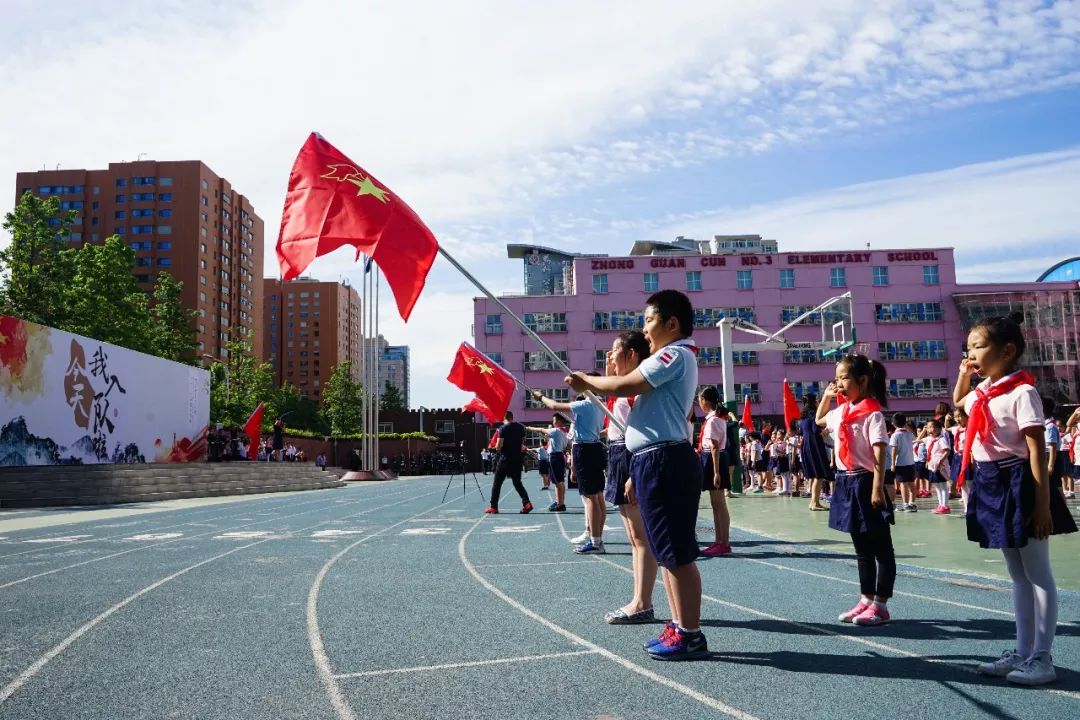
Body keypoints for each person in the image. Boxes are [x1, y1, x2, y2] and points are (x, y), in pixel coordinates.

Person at [567, 289, 707, 661]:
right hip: (651, 460)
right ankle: (678, 625)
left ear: (671, 323)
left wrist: (588, 381)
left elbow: (628, 383)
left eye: (648, 320)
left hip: (665, 460)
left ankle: (690, 632)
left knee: (676, 553)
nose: (644, 330)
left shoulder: (674, 354)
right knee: (665, 551)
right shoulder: (672, 355)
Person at [956, 314, 1077, 685]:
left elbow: (1037, 453)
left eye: (978, 346)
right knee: (1017, 574)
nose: (971, 352)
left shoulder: (1022, 392)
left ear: (1007, 351)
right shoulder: (984, 391)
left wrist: (1042, 505)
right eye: (969, 347)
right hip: (992, 480)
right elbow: (961, 402)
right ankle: (1023, 651)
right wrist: (965, 372)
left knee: (1038, 573)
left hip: (1021, 481)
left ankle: (1042, 657)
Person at [817, 353, 894, 627]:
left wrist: (877, 489)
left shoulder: (873, 414)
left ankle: (881, 605)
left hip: (866, 480)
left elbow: (880, 452)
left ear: (862, 380)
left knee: (881, 547)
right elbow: (818, 421)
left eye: (843, 378)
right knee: (861, 548)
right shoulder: (840, 412)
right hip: (846, 481)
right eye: (836, 378)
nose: (838, 382)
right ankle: (865, 598)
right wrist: (827, 396)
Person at [601, 330, 660, 625]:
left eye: (615, 350)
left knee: (641, 537)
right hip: (617, 454)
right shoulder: (624, 388)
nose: (609, 356)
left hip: (629, 454)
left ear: (633, 354)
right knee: (634, 536)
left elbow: (640, 432)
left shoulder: (636, 389)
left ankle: (643, 602)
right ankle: (640, 599)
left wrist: (634, 472)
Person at [531, 382, 608, 554]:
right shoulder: (600, 404)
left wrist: (540, 397)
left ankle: (596, 542)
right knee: (597, 497)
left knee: (590, 498)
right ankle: (597, 537)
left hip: (585, 449)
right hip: (595, 447)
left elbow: (555, 406)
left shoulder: (586, 404)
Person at [697, 386, 732, 556]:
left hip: (714, 461)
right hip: (711, 459)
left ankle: (723, 542)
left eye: (700, 400)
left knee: (719, 504)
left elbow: (715, 446)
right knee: (715, 504)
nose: (699, 403)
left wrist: (716, 472)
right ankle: (719, 541)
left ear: (704, 400)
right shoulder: (715, 418)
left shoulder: (713, 420)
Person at [485, 410, 533, 514]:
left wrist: (494, 448)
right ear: (512, 417)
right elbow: (522, 441)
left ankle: (493, 507)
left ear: (504, 418)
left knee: (497, 483)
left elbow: (499, 446)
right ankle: (527, 503)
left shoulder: (503, 428)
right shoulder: (520, 427)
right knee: (517, 482)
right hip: (517, 458)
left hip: (505, 459)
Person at [525, 415, 569, 511]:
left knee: (558, 482)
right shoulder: (564, 432)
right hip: (558, 456)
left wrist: (528, 428)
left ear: (559, 421)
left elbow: (541, 429)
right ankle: (559, 502)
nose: (553, 422)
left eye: (554, 420)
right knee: (558, 481)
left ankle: (561, 504)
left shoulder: (556, 431)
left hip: (555, 457)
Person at [798, 395, 833, 511]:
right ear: (814, 402)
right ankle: (815, 503)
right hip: (815, 445)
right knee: (819, 475)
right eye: (817, 400)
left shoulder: (803, 417)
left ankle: (813, 502)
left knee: (813, 475)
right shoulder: (814, 415)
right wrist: (826, 431)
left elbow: (801, 433)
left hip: (806, 446)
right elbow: (815, 430)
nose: (819, 401)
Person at [888, 413, 917, 512]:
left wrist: (892, 463)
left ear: (893, 423)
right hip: (911, 462)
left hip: (900, 463)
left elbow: (894, 450)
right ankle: (912, 503)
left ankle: (905, 504)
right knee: (912, 483)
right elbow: (914, 444)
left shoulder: (895, 435)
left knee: (903, 484)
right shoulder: (910, 434)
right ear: (905, 423)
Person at [923, 419, 951, 513]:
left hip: (939, 466)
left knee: (943, 485)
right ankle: (940, 505)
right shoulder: (929, 439)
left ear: (939, 429)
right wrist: (924, 430)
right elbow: (918, 440)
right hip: (932, 465)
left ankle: (945, 505)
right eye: (928, 427)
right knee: (937, 486)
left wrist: (940, 461)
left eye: (932, 427)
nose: (930, 429)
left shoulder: (941, 439)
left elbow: (947, 451)